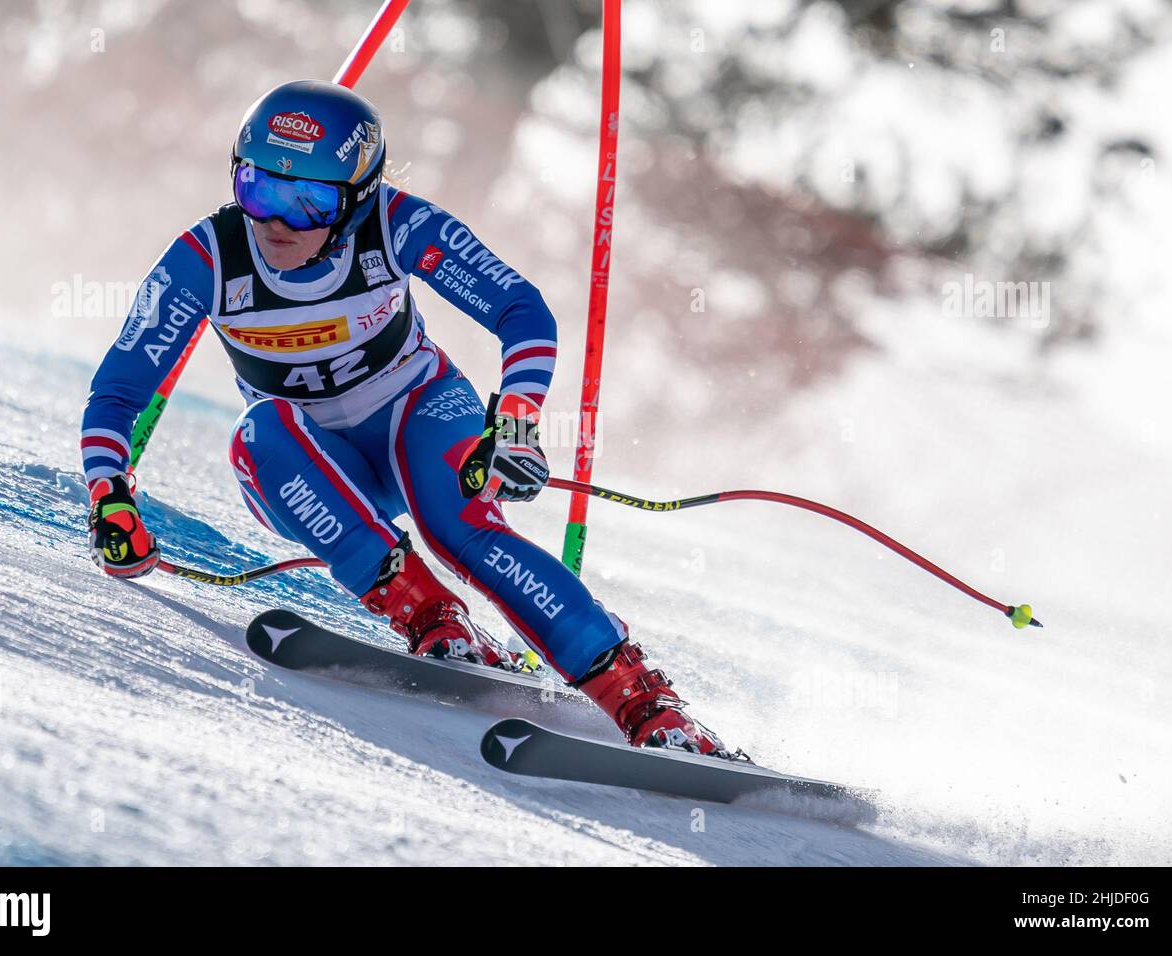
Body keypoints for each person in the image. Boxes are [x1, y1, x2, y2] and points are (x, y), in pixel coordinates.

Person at [82, 79, 732, 757]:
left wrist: (514, 419)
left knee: (457, 526)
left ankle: (642, 701)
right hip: (311, 471)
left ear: (356, 198)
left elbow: (522, 310)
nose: (277, 222)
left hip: (417, 416)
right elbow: (119, 394)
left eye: (309, 202)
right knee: (258, 433)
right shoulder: (206, 258)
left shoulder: (395, 224)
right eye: (258, 189)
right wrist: (109, 496)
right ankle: (431, 616)